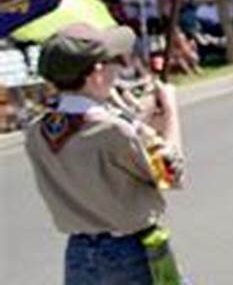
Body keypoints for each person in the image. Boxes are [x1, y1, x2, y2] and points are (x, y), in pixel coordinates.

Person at [24, 23, 187, 284]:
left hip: (78, 252)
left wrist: (142, 125)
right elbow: (170, 173)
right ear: (97, 73)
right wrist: (170, 112)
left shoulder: (36, 132)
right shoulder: (113, 130)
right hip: (130, 252)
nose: (119, 68)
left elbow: (92, 141)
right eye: (115, 61)